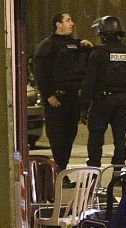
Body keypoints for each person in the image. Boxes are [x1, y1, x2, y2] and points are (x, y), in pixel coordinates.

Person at [33, 12, 93, 187]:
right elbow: (40, 72)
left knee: (69, 137)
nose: (72, 24)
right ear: (58, 24)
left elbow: (89, 65)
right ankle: (58, 176)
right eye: (68, 20)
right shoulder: (48, 45)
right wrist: (48, 95)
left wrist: (90, 48)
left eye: (71, 20)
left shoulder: (77, 45)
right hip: (56, 100)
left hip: (73, 99)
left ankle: (62, 174)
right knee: (58, 138)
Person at [82, 16, 126, 167]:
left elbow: (89, 82)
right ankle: (118, 170)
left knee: (96, 136)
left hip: (102, 100)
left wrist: (83, 107)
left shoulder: (98, 53)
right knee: (120, 137)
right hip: (122, 100)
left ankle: (93, 170)